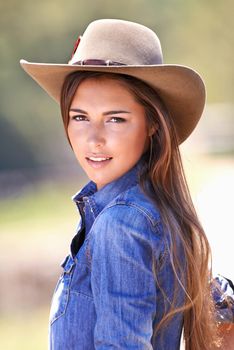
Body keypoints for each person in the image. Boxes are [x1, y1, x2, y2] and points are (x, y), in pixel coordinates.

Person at [20, 19, 232, 350]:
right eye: (80, 117)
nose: (94, 139)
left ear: (152, 125)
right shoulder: (155, 210)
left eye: (115, 119)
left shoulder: (123, 223)